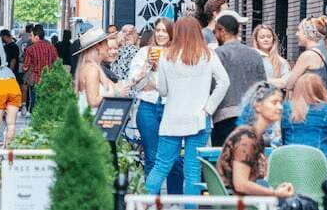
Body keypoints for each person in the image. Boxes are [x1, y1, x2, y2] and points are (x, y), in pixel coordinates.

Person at [143, 16, 228, 196]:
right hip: (199, 118)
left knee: (160, 166)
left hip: (172, 119)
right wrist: (208, 108)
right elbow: (224, 82)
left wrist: (154, 71)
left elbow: (163, 91)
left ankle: (140, 207)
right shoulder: (208, 55)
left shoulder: (167, 57)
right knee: (192, 172)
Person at [127, 19, 182, 194]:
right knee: (151, 156)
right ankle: (150, 203)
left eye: (165, 31)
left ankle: (175, 200)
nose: (160, 34)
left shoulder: (178, 54)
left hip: (171, 109)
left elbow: (179, 84)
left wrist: (160, 74)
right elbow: (136, 83)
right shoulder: (144, 53)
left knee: (173, 158)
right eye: (158, 30)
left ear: (172, 34)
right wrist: (149, 66)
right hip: (148, 107)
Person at [215, 81, 294, 198]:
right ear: (258, 105)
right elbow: (240, 184)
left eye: (280, 103)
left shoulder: (254, 136)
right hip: (238, 205)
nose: (280, 107)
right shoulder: (246, 139)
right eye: (274, 102)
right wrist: (275, 193)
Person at [211, 14, 268, 147]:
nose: (215, 35)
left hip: (224, 116)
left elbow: (213, 86)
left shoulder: (219, 54)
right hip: (250, 116)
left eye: (216, 31)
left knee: (224, 160)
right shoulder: (255, 54)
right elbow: (263, 86)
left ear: (222, 31)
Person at [281, 73, 327, 161]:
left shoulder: (287, 108)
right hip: (321, 161)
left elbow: (284, 138)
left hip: (291, 163)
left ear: (297, 89)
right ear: (321, 89)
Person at [72, 26, 120, 111]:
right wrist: (116, 93)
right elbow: (93, 101)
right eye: (106, 43)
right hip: (92, 120)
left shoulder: (90, 66)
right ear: (98, 46)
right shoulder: (92, 69)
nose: (108, 47)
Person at [282, 18, 327, 94]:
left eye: (299, 30)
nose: (297, 34)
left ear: (308, 34)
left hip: (308, 103)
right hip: (322, 101)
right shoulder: (324, 52)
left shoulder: (308, 55)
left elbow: (289, 84)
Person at [21, 25, 60, 112]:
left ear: (37, 37)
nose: (30, 38)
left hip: (36, 80)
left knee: (35, 104)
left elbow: (25, 67)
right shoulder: (52, 48)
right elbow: (57, 64)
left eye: (31, 36)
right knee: (47, 103)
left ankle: (36, 121)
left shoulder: (30, 49)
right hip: (49, 80)